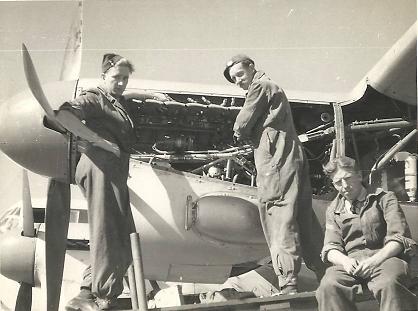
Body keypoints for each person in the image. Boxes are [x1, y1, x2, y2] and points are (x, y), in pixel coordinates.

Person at [223, 54, 325, 294]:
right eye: (233, 79)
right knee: (303, 217)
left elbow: (241, 124)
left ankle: (288, 281)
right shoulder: (273, 87)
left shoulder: (259, 86)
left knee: (277, 215)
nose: (238, 81)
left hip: (276, 161)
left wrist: (240, 134)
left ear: (252, 68)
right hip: (290, 157)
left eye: (239, 74)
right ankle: (327, 271)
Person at [63, 53, 137, 310]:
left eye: (126, 78)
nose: (121, 83)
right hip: (100, 167)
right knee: (108, 231)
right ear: (103, 75)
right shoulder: (95, 98)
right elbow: (63, 114)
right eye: (116, 77)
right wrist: (100, 142)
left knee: (118, 234)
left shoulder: (117, 102)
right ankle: (104, 297)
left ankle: (85, 293)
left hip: (112, 170)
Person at [316, 156, 417, 311]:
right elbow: (330, 248)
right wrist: (345, 262)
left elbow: (399, 239)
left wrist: (374, 261)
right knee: (328, 285)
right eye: (338, 182)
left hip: (386, 259)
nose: (344, 186)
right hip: (352, 265)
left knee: (389, 282)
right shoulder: (333, 209)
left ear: (359, 176)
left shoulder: (384, 198)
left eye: (348, 179)